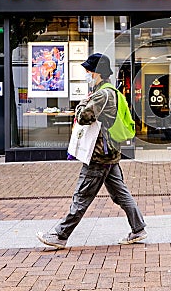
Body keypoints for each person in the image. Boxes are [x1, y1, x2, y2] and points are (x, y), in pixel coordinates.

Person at [37, 53, 147, 249]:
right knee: (120, 194)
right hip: (109, 153)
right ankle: (138, 229)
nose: (87, 73)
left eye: (89, 71)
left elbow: (84, 117)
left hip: (99, 155)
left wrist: (80, 104)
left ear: (98, 73)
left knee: (82, 195)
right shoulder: (108, 91)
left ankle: (60, 235)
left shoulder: (103, 94)